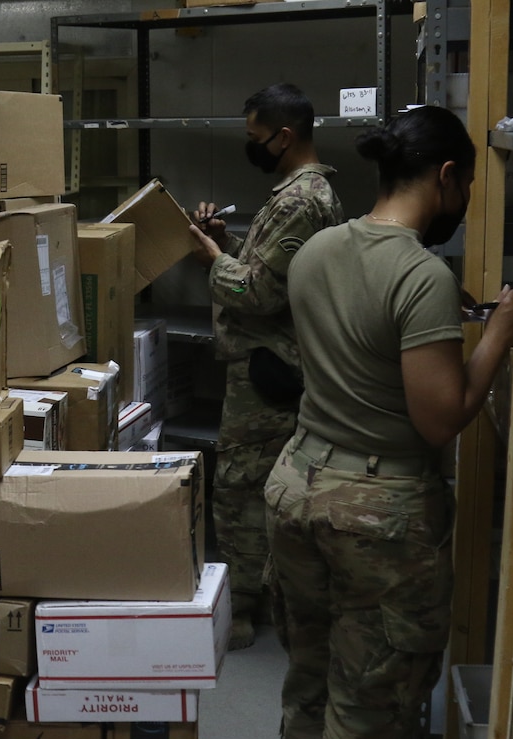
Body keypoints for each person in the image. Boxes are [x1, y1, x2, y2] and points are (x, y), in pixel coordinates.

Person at [264, 105, 513, 739]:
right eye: (467, 185)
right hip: (377, 509)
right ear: (445, 177)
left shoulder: (316, 250)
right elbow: (441, 418)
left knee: (313, 663)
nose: (465, 201)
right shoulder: (420, 275)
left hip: (299, 482)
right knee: (374, 684)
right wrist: (497, 334)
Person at [188, 83, 344, 650]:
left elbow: (257, 294)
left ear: (284, 137)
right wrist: (227, 243)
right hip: (274, 362)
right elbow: (273, 270)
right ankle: (266, 596)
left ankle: (250, 603)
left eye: (256, 138)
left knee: (240, 485)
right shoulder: (302, 195)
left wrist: (212, 257)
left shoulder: (300, 201)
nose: (251, 147)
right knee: (259, 482)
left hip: (269, 367)